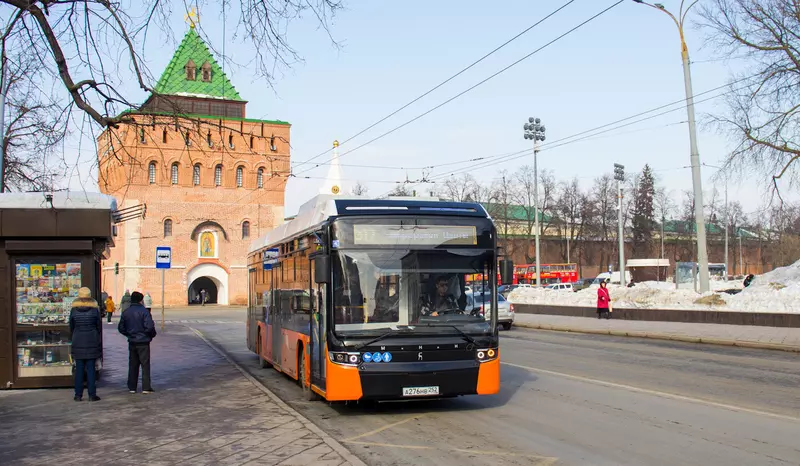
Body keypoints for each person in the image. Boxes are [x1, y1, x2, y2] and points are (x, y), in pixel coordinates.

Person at [118, 291, 156, 394]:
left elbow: (121, 327)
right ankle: (146, 387)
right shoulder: (144, 311)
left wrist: (129, 334)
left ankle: (132, 387)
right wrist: (150, 335)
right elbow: (149, 327)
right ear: (140, 300)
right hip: (143, 341)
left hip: (132, 341)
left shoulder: (126, 312)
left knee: (133, 364)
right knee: (145, 364)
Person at [69, 287, 102, 402]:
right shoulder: (94, 310)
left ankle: (78, 395)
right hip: (91, 340)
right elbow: (98, 326)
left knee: (79, 369)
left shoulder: (74, 310)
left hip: (78, 340)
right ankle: (92, 394)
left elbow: (71, 326)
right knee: (91, 369)